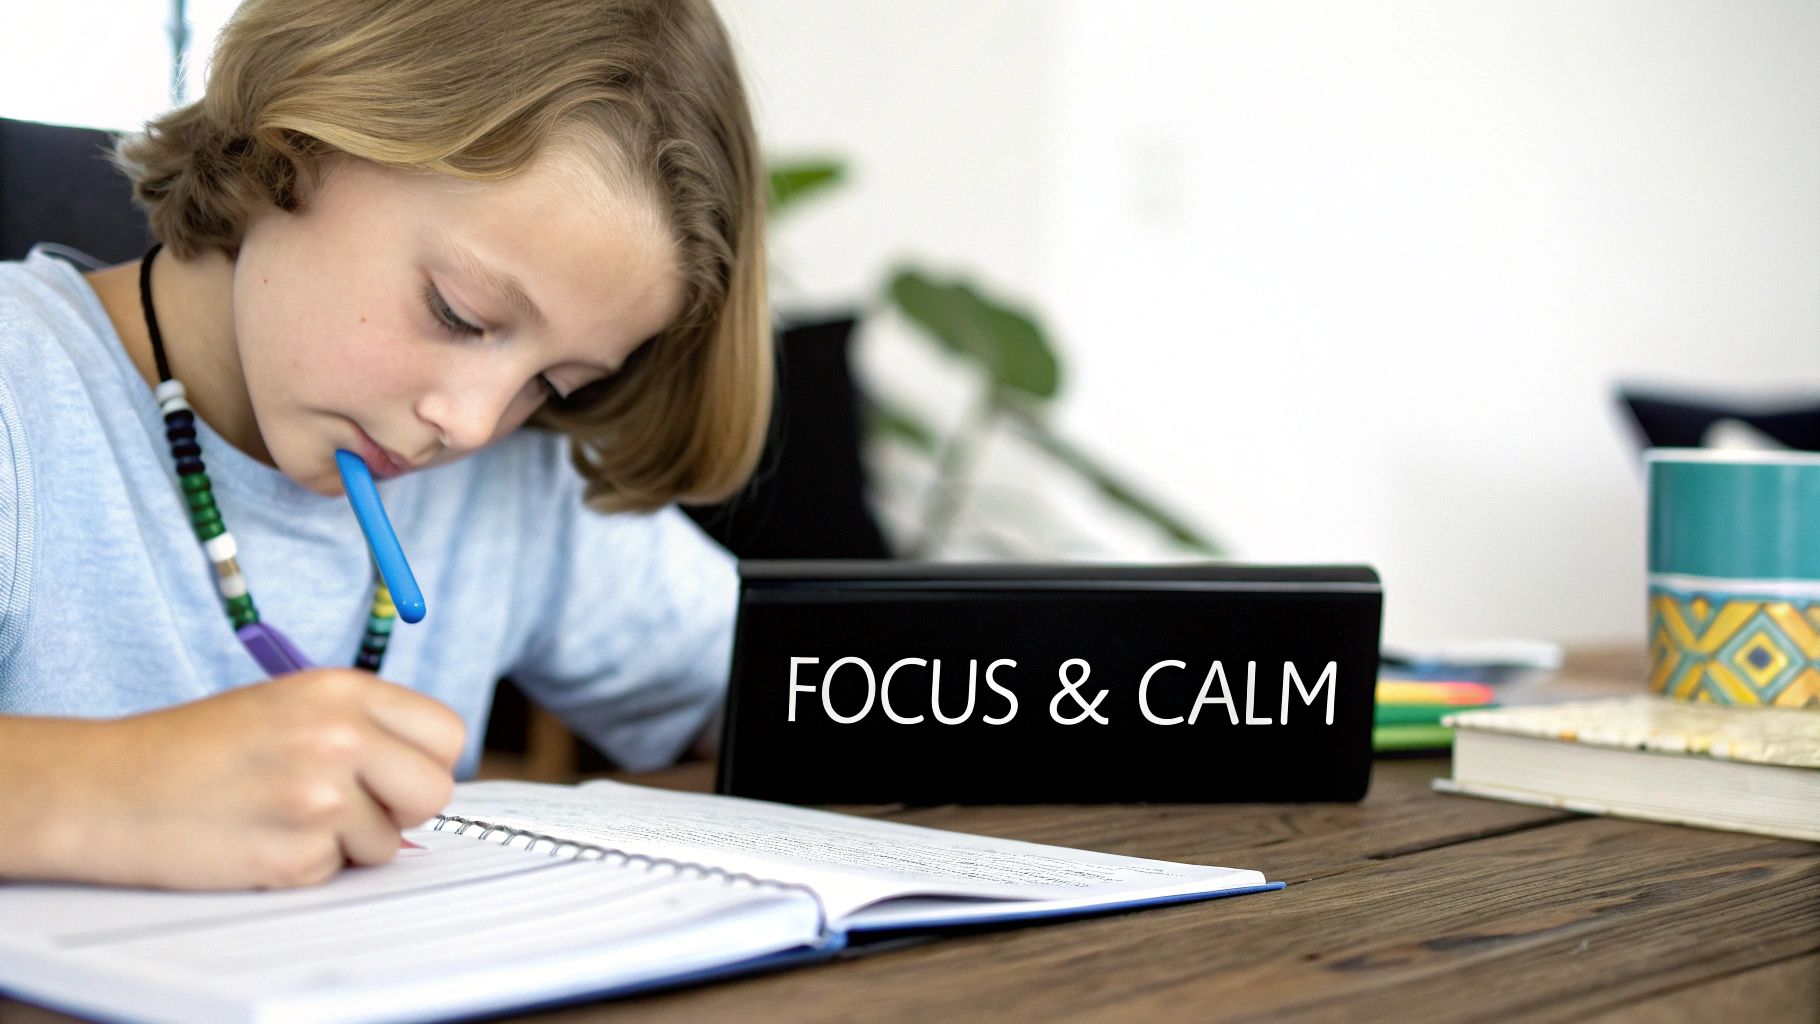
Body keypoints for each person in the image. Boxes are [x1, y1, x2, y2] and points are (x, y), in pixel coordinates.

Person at [0, 0, 769, 891]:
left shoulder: (507, 484)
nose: (473, 424)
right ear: (297, 139)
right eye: (460, 313)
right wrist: (115, 788)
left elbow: (779, 682)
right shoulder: (23, 395)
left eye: (554, 384)